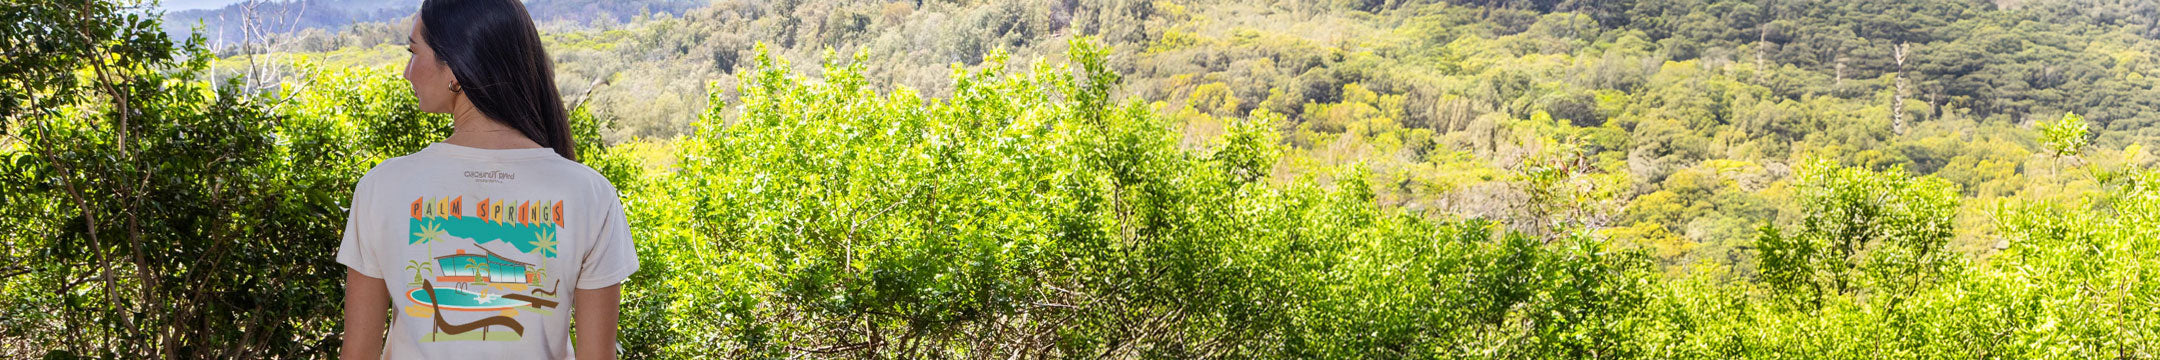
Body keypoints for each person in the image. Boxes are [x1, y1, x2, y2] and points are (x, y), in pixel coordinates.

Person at [337, 0, 636, 358]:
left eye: (413, 52)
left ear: (456, 70)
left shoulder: (382, 186)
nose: (407, 71)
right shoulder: (589, 192)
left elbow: (357, 353)